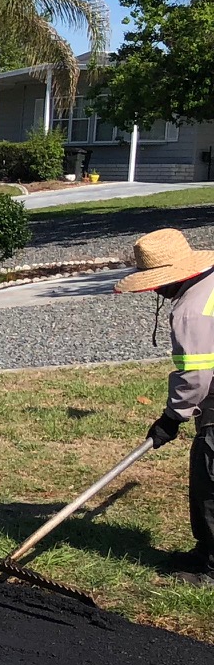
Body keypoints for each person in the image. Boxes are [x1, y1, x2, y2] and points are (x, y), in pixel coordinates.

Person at [115, 227, 214, 583]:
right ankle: (206, 553)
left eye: (158, 282)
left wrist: (171, 419)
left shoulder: (192, 310)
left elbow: (197, 378)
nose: (156, 289)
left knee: (210, 479)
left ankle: (212, 569)